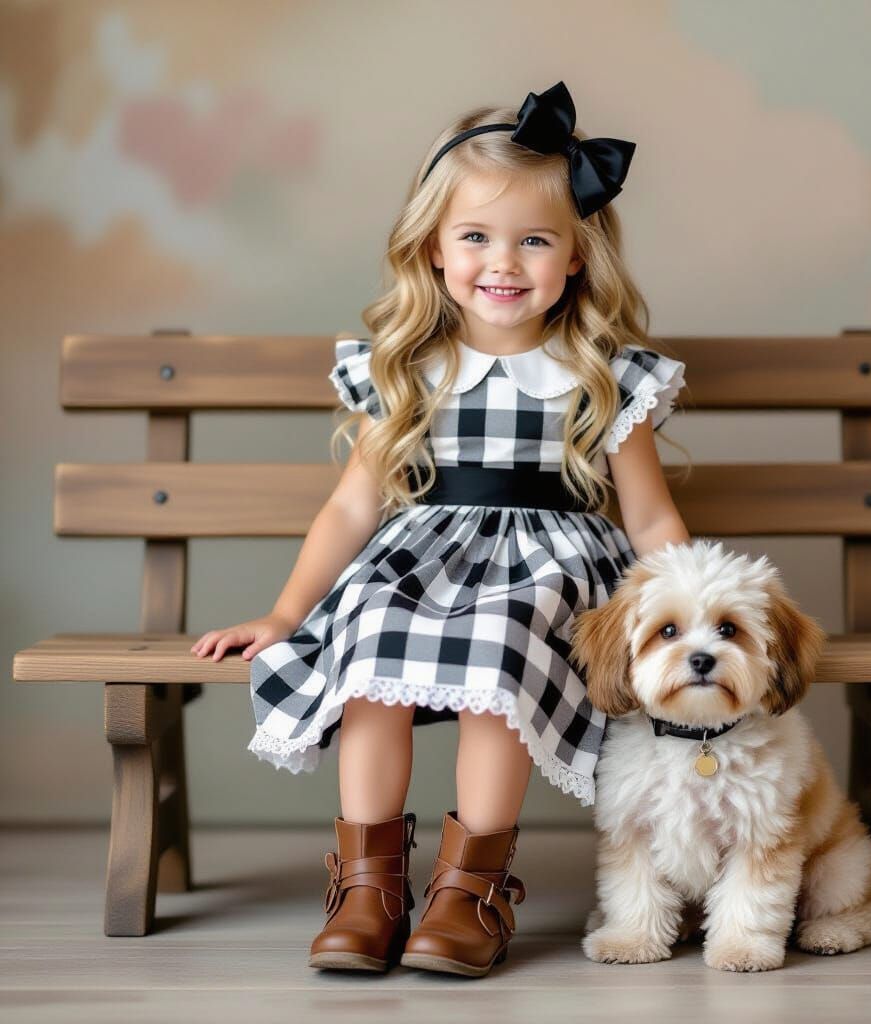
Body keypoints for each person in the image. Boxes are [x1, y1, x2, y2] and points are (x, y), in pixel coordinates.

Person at [191, 80, 691, 978]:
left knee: (502, 646)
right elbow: (353, 507)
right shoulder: (408, 367)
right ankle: (369, 888)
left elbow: (649, 514)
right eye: (476, 237)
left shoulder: (606, 376)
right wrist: (285, 614)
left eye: (535, 240)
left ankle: (471, 890)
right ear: (432, 247)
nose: (504, 262)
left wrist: (691, 614)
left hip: (550, 569)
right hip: (421, 560)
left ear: (577, 256)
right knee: (374, 634)